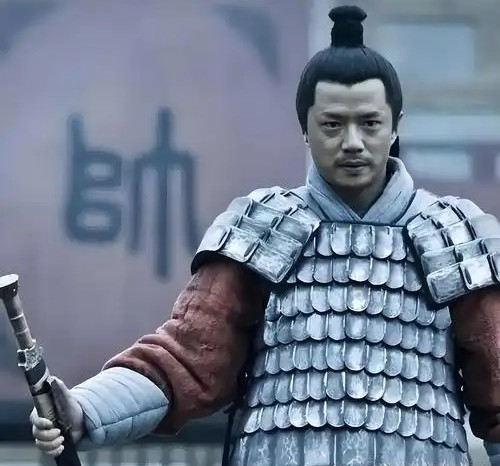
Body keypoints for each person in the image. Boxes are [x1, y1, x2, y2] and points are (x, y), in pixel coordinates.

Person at [31, 5, 500, 466]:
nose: (352, 142)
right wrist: (85, 409)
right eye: (332, 125)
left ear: (395, 125)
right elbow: (186, 358)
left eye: (369, 123)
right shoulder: (263, 229)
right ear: (305, 130)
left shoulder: (453, 237)